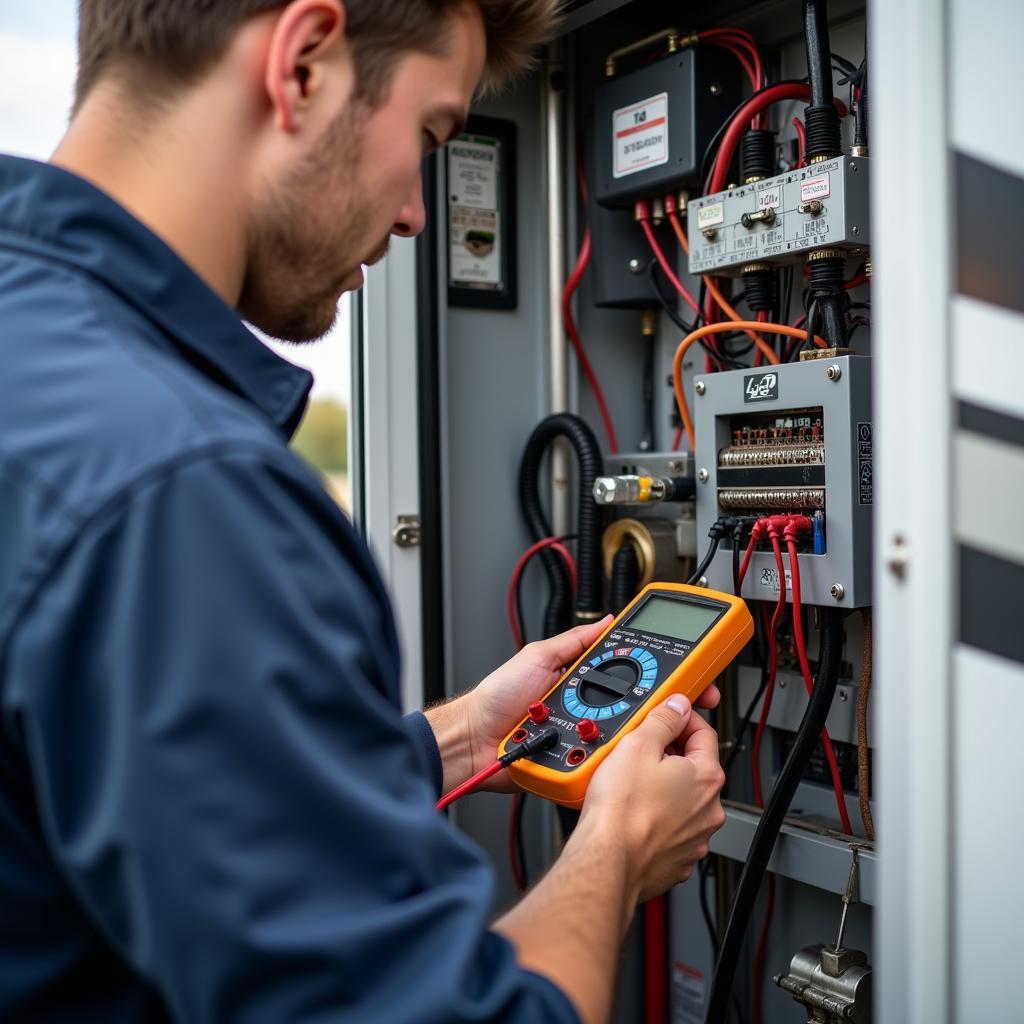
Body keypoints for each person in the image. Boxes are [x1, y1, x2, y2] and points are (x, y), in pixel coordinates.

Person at [0, 1, 727, 1021]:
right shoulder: (186, 494)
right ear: (302, 62)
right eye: (431, 133)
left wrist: (472, 734)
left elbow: (175, 799)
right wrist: (616, 846)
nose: (417, 214)